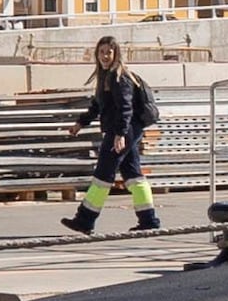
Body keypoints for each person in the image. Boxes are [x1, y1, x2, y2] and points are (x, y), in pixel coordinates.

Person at [62, 36, 160, 234]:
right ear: (96, 55)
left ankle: (85, 220)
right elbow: (98, 105)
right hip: (126, 130)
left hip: (123, 129)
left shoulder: (119, 77)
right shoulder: (106, 76)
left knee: (103, 174)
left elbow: (125, 108)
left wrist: (120, 134)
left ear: (116, 54)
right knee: (133, 175)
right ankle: (149, 220)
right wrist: (81, 123)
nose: (105, 56)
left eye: (109, 52)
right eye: (101, 52)